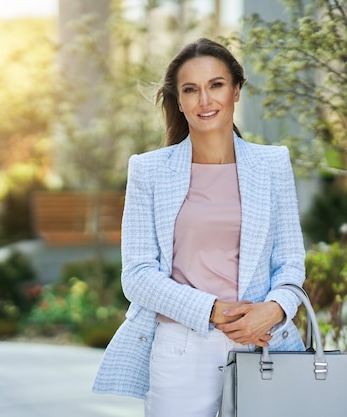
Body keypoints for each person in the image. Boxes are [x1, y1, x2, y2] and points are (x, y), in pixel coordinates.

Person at [92, 38, 306, 417]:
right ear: (179, 101)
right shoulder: (149, 171)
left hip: (262, 342)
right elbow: (138, 275)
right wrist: (213, 310)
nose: (204, 100)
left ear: (236, 90)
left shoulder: (272, 164)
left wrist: (274, 309)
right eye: (191, 90)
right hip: (181, 350)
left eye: (216, 85)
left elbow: (290, 262)